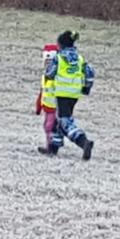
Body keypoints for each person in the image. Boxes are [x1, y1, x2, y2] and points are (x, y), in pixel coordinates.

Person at [45, 30, 95, 160]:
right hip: (74, 94)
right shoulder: (79, 58)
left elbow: (49, 73)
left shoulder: (59, 58)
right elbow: (90, 72)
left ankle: (83, 142)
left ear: (61, 45)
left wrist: (48, 74)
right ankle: (53, 148)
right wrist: (86, 87)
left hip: (62, 93)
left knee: (65, 122)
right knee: (59, 120)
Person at [36, 43, 64, 155]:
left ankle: (51, 148)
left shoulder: (58, 76)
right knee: (47, 126)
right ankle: (50, 146)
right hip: (47, 106)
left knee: (50, 126)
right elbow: (42, 91)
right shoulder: (45, 76)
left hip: (55, 107)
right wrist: (38, 106)